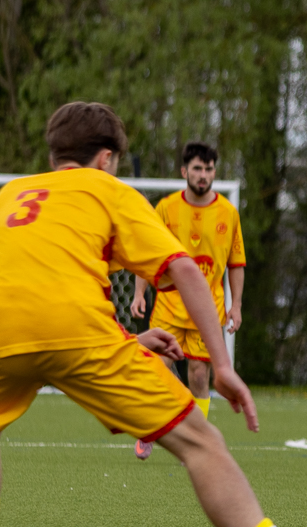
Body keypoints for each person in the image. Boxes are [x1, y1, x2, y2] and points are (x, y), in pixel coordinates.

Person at [0, 102, 307, 527]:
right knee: (202, 442)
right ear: (106, 159)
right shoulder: (108, 190)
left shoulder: (8, 198)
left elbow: (43, 287)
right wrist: (222, 366)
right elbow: (187, 273)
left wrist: (128, 339)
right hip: (77, 333)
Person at [130, 142, 245, 461]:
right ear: (184, 172)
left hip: (208, 311)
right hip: (168, 305)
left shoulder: (228, 213)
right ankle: (149, 429)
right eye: (197, 168)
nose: (203, 175)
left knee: (198, 375)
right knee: (159, 367)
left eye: (209, 169)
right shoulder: (166, 208)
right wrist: (139, 293)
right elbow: (147, 253)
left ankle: (198, 438)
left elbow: (236, 263)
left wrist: (236, 306)